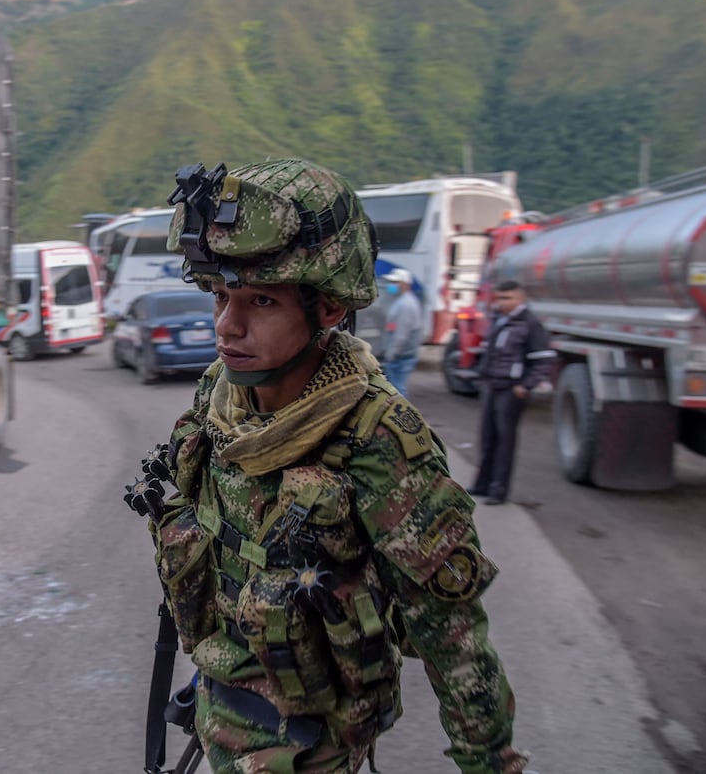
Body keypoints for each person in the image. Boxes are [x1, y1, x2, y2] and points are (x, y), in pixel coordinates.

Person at [136, 159, 529, 773]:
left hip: (309, 743)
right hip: (219, 704)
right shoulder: (221, 394)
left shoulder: (378, 441)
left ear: (326, 309)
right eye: (220, 296)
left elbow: (452, 637)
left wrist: (489, 762)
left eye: (260, 301)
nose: (226, 326)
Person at [470, 280, 554, 505]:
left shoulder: (530, 324)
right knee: (487, 438)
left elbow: (544, 360)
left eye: (508, 298)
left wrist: (525, 385)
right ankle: (482, 484)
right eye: (499, 298)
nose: (502, 303)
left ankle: (498, 490)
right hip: (492, 385)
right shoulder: (499, 320)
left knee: (505, 442)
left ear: (521, 299)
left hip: (511, 389)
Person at [379, 267, 422, 397]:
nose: (391, 285)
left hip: (400, 356)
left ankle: (401, 416)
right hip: (399, 355)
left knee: (398, 391)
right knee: (396, 388)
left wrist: (391, 353)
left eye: (395, 282)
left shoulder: (406, 305)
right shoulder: (401, 302)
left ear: (405, 284)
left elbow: (401, 335)